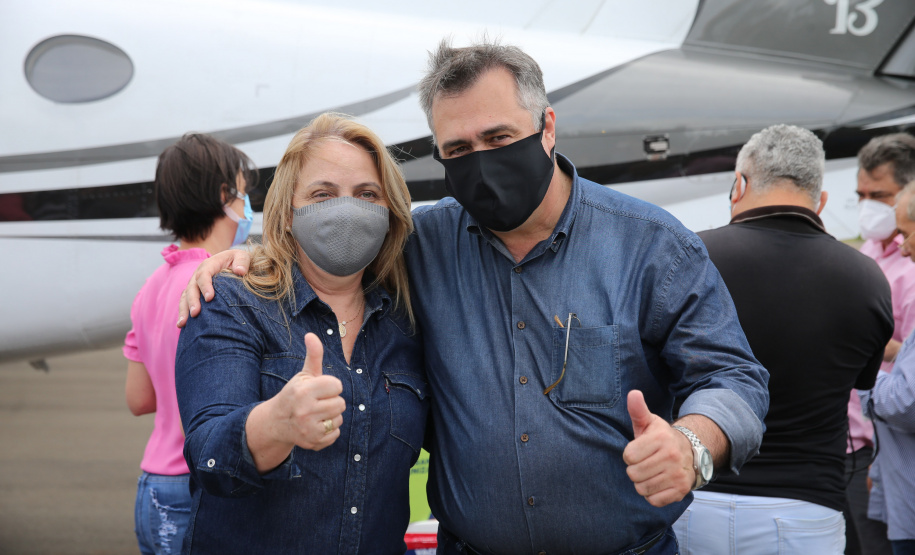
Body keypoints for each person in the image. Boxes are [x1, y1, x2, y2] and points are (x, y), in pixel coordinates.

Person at [179, 39, 769, 554]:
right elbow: (334, 247)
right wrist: (250, 256)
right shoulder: (423, 246)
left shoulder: (652, 246)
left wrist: (692, 444)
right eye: (458, 149)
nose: (481, 162)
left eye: (499, 137)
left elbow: (733, 377)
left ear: (547, 127)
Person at [174, 113, 428, 554]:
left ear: (389, 214)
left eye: (367, 194)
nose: (347, 210)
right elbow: (209, 456)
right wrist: (276, 424)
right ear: (288, 213)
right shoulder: (232, 302)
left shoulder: (406, 321)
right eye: (322, 194)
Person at [670, 125, 893, 554]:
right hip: (805, 509)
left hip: (695, 490)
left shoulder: (691, 258)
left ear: (739, 185)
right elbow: (861, 382)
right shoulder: (866, 278)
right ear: (820, 200)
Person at [124, 133, 256, 555]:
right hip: (195, 488)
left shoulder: (150, 286)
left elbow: (139, 399)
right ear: (224, 196)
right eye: (244, 194)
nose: (247, 207)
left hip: (152, 488)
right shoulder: (217, 287)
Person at [847, 133, 915, 555]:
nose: (867, 206)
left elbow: (908, 387)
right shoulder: (868, 251)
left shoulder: (909, 266)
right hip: (850, 443)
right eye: (861, 195)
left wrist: (869, 348)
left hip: (885, 447)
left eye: (879, 196)